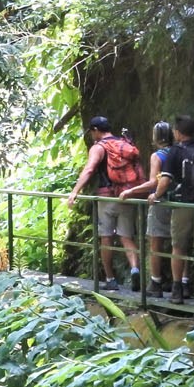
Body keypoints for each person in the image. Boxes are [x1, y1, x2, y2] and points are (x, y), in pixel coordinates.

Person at [64, 116, 144, 291]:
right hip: (126, 195)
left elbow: (90, 168)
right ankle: (135, 269)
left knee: (106, 237)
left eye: (92, 132)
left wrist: (75, 191)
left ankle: (110, 279)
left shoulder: (99, 147)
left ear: (95, 130)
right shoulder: (123, 145)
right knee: (126, 237)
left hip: (107, 197)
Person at [149, 115, 194, 302]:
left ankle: (177, 291)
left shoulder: (176, 152)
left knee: (178, 247)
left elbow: (165, 180)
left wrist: (156, 195)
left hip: (183, 204)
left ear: (178, 133)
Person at [120, 121, 173, 298]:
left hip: (161, 202)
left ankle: (155, 283)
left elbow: (154, 182)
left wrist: (131, 190)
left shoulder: (158, 156)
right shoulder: (178, 152)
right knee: (179, 246)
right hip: (180, 202)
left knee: (156, 243)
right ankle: (182, 284)